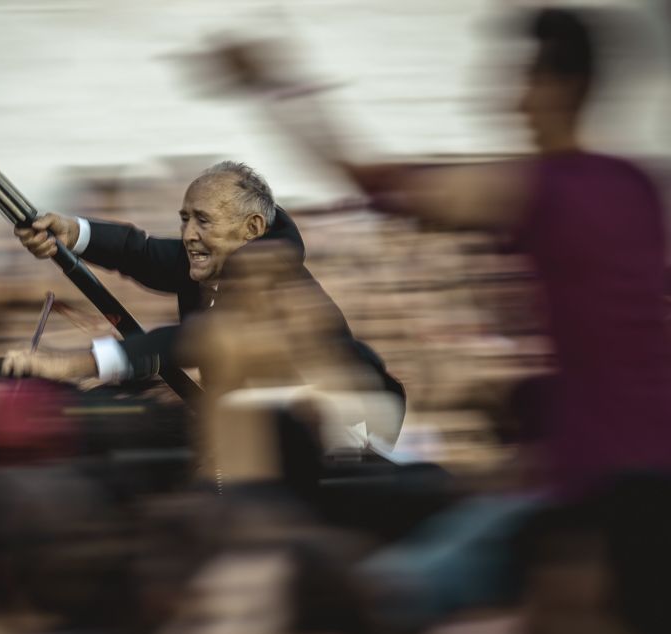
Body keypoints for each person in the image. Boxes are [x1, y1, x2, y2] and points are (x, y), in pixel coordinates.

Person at [216, 7, 671, 499]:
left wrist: (274, 84)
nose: (516, 103)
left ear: (561, 88)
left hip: (595, 471)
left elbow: (374, 183)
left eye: (526, 82)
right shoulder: (637, 184)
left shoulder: (537, 188)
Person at [2, 161, 405, 437]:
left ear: (252, 227)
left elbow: (188, 340)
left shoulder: (269, 276)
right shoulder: (217, 254)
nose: (189, 234)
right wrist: (72, 233)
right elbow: (139, 253)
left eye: (203, 220)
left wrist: (69, 364)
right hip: (264, 419)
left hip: (346, 428)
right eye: (185, 219)